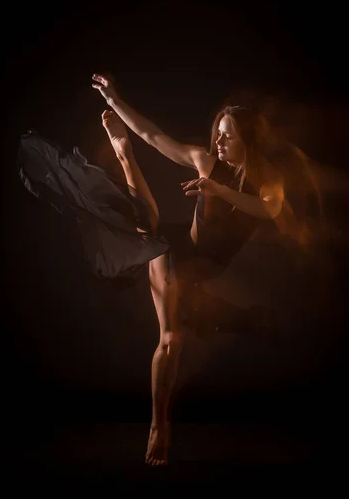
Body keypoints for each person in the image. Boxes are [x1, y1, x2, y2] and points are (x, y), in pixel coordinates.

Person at [18, 72, 287, 467]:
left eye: (228, 135)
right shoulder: (205, 160)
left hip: (204, 266)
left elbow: (269, 209)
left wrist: (220, 191)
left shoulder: (268, 182)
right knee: (172, 333)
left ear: (248, 138)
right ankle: (158, 428)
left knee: (197, 305)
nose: (219, 140)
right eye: (218, 132)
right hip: (177, 251)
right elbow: (154, 136)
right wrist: (114, 99)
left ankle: (221, 317)